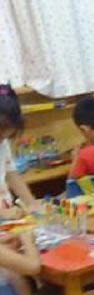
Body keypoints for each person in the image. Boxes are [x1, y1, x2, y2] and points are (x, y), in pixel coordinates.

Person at [0, 84, 41, 216]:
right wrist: (2, 214)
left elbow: (11, 173)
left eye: (6, 137)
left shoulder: (3, 143)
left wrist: (31, 203)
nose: (2, 141)